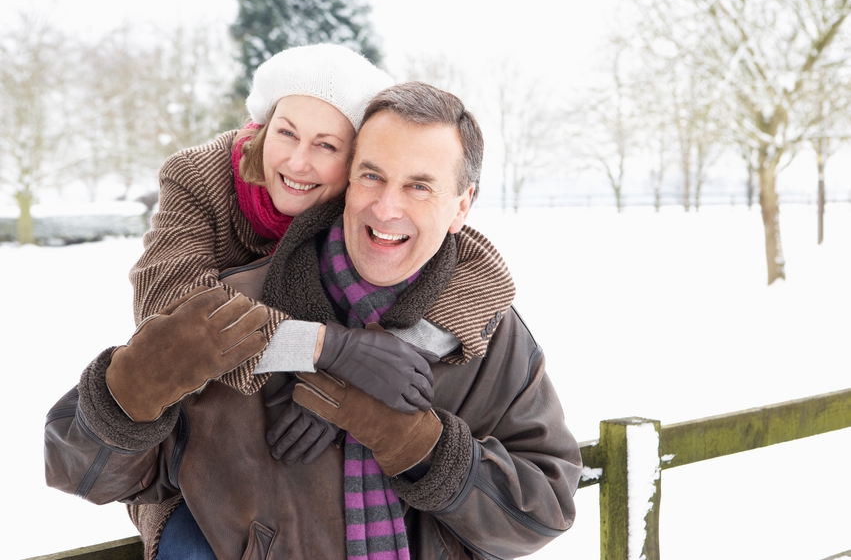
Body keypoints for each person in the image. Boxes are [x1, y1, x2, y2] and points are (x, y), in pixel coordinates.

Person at [45, 81, 582, 560]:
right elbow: (83, 471)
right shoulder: (234, 309)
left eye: (419, 186)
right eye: (372, 175)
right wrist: (130, 391)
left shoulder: (491, 333)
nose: (387, 207)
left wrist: (421, 446)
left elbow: (544, 509)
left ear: (462, 205)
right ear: (348, 179)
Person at [117, 42, 416, 558]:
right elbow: (170, 314)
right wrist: (326, 351)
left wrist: (346, 392)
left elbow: (473, 267)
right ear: (264, 122)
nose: (298, 161)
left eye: (326, 145)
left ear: (356, 161)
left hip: (311, 466)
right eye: (287, 133)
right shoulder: (198, 178)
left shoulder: (364, 198)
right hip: (202, 453)